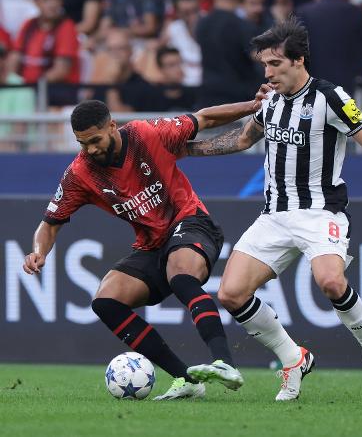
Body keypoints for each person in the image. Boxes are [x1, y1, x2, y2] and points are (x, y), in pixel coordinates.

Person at [185, 17, 362, 401]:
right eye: (264, 65)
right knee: (231, 294)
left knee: (331, 281)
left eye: (275, 64)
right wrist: (186, 150)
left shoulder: (332, 98)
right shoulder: (269, 100)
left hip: (320, 212)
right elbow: (240, 139)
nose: (267, 73)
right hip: (275, 214)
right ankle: (292, 357)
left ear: (299, 60)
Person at [22, 95, 265, 399]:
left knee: (180, 271)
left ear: (112, 126)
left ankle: (224, 362)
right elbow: (50, 222)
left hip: (191, 222)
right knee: (106, 300)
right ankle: (186, 379)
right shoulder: (80, 173)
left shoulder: (146, 134)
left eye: (95, 140)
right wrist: (39, 251)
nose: (91, 149)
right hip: (153, 246)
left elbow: (204, 118)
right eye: (83, 144)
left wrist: (253, 106)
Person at [9, 0, 80, 106]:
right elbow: (14, 57)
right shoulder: (29, 24)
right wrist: (11, 80)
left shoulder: (67, 27)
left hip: (54, 91)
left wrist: (30, 86)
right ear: (36, 2)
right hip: (27, 88)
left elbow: (60, 71)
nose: (52, 4)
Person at [296, 0, 362, 97]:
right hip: (349, 94)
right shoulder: (356, 11)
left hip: (317, 93)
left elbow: (295, 50)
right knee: (350, 114)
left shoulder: (304, 12)